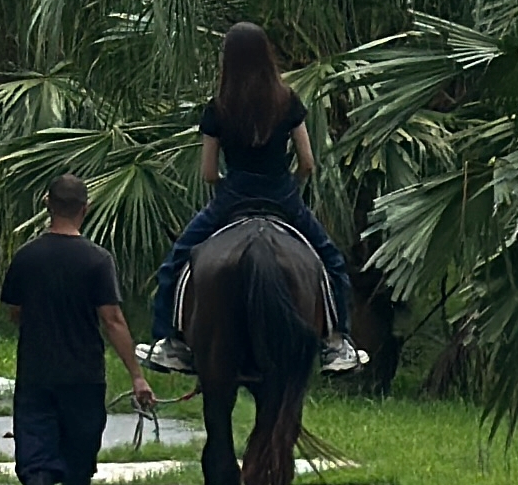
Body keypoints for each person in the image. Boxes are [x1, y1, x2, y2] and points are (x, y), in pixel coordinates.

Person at [139, 20, 366, 377]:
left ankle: (169, 342)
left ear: (228, 59)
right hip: (282, 195)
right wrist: (290, 183)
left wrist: (229, 184)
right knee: (333, 263)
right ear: (266, 55)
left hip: (233, 197)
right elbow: (307, 162)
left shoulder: (218, 107)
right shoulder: (287, 101)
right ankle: (338, 342)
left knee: (175, 263)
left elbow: (209, 173)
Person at [0, 172, 155, 485]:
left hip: (36, 372)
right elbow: (112, 320)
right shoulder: (97, 260)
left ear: (47, 205)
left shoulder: (26, 256)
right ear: (86, 209)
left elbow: (15, 311)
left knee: (36, 454)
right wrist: (136, 375)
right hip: (84, 374)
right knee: (80, 453)